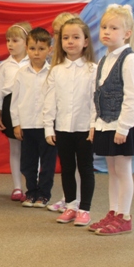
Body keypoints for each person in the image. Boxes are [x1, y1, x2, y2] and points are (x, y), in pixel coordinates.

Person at [90, 4, 134, 235]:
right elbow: (98, 95)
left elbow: (132, 98)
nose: (107, 31)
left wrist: (123, 128)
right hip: (106, 124)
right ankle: (113, 211)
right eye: (104, 27)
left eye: (114, 28)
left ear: (127, 33)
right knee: (112, 170)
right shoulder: (104, 60)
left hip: (122, 126)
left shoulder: (130, 60)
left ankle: (124, 216)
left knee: (123, 171)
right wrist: (95, 124)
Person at [43, 17, 97, 226]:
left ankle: (85, 209)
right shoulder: (56, 70)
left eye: (76, 37)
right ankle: (71, 205)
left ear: (85, 41)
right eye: (66, 38)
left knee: (85, 168)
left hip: (84, 128)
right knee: (66, 168)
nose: (70, 41)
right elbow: (50, 101)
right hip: (63, 128)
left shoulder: (92, 69)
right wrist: (49, 127)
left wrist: (93, 125)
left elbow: (95, 101)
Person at [11, 28, 57, 208]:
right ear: (26, 49)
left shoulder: (53, 72)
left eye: (41, 49)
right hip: (28, 124)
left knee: (47, 163)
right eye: (32, 48)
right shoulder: (21, 73)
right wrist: (16, 124)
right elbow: (15, 101)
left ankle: (44, 194)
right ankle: (31, 192)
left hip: (47, 127)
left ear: (49, 50)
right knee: (27, 163)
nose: (36, 53)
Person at [47, 12, 80, 213]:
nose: (59, 37)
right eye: (57, 33)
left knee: (78, 162)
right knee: (66, 162)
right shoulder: (55, 58)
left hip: (77, 119)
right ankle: (68, 197)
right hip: (61, 116)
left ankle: (75, 199)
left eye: (63, 33)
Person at [0, 22, 30, 202]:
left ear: (26, 42)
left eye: (15, 40)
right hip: (9, 106)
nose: (10, 44)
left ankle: (32, 185)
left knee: (32, 148)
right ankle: (17, 187)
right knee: (15, 148)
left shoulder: (33, 62)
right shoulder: (4, 65)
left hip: (29, 105)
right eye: (8, 40)